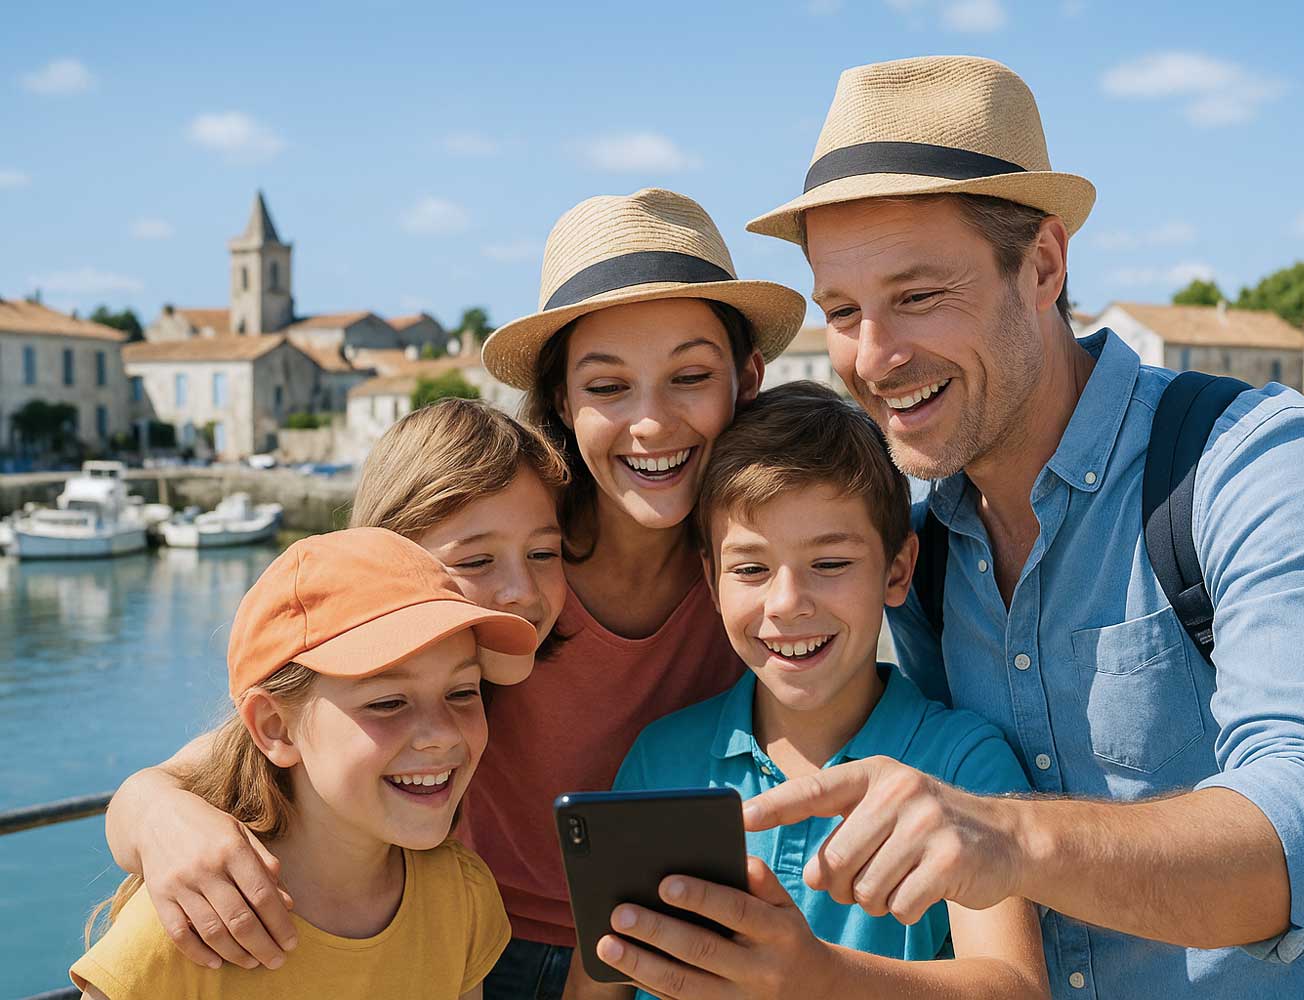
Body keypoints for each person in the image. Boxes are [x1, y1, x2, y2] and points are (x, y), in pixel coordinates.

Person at [726, 56, 1304, 997]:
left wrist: (1008, 837)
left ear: (1045, 265)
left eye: (919, 296)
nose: (874, 356)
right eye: (843, 310)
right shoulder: (928, 549)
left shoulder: (1253, 459)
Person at [101, 189, 806, 1000]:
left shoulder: (762, 571)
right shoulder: (496, 575)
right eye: (608, 387)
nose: (651, 422)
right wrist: (159, 816)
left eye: (689, 376)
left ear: (746, 381)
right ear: (561, 406)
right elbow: (247, 742)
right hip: (462, 940)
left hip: (654, 952)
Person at [566, 381, 1047, 1000]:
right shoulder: (659, 760)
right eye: (751, 569)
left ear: (897, 570)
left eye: (830, 564)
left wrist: (819, 981)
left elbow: (1015, 986)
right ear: (711, 582)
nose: (787, 604)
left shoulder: (963, 764)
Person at [71, 527, 537, 999]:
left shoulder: (463, 897)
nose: (442, 733)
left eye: (462, 692)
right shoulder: (185, 924)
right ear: (274, 726)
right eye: (389, 702)